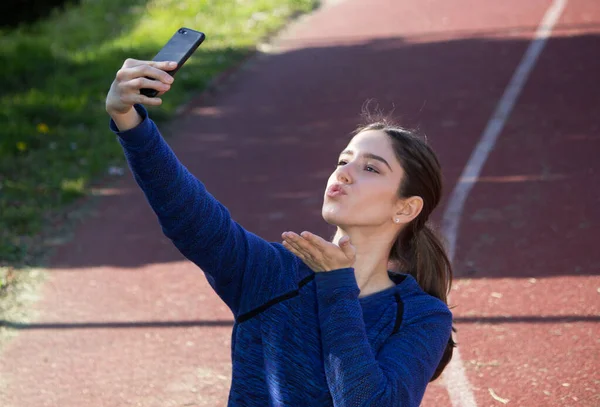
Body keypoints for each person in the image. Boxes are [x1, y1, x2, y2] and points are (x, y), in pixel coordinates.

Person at [106, 58, 455, 407]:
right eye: (343, 161)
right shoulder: (270, 274)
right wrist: (129, 121)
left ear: (405, 208)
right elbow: (187, 211)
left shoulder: (422, 316)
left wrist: (337, 285)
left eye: (370, 168)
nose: (344, 173)